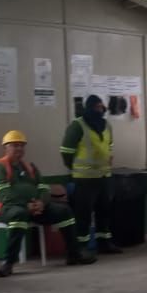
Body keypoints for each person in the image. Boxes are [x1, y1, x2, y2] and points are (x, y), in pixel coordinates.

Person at [0, 130, 94, 277]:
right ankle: (8, 263)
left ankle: (74, 254)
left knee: (64, 211)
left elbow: (44, 188)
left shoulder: (30, 167)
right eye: (14, 145)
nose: (19, 148)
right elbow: (2, 194)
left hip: (35, 207)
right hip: (6, 209)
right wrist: (26, 205)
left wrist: (41, 203)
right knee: (19, 215)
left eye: (21, 145)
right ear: (6, 147)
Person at [61, 95, 121, 255]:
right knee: (83, 214)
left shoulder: (106, 125)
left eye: (102, 107)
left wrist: (108, 157)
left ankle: (104, 243)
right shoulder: (77, 125)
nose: (100, 110)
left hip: (104, 176)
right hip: (84, 178)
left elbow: (109, 145)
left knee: (104, 211)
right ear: (89, 107)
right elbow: (66, 151)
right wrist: (74, 167)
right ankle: (82, 246)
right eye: (97, 107)